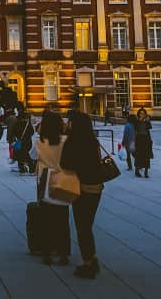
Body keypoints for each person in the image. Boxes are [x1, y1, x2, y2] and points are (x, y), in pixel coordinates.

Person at [60, 111, 105, 279]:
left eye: (70, 121)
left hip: (81, 188)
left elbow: (65, 164)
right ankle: (91, 259)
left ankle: (89, 263)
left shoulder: (72, 142)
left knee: (82, 227)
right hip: (96, 188)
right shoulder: (93, 141)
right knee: (88, 225)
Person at [35, 111, 71, 266]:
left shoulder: (40, 142)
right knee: (62, 218)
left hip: (44, 180)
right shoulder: (66, 141)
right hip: (62, 179)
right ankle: (63, 253)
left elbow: (31, 156)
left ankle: (47, 253)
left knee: (45, 218)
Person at [133, 109, 153, 178]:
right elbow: (135, 129)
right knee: (138, 156)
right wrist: (140, 121)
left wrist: (147, 121)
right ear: (138, 114)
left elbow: (150, 127)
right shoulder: (136, 121)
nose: (142, 114)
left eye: (143, 113)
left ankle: (146, 172)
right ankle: (137, 171)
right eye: (141, 113)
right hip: (139, 139)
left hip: (146, 139)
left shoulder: (147, 121)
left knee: (147, 156)